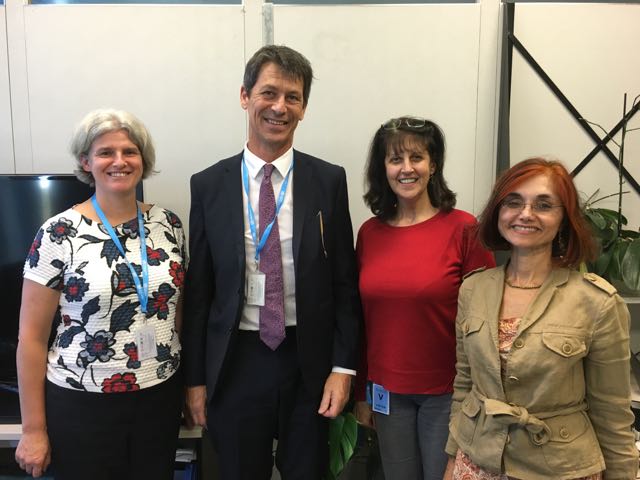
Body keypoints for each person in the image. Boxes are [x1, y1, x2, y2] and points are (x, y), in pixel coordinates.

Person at [182, 45, 361, 480]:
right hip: (236, 361)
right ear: (245, 96)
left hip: (310, 361)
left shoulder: (328, 180)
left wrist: (343, 368)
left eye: (293, 97)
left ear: (304, 108)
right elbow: (200, 292)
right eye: (269, 93)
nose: (280, 107)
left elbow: (344, 284)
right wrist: (195, 380)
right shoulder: (208, 185)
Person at [14, 109, 186, 480]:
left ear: (143, 160)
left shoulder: (168, 224)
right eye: (106, 152)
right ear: (86, 161)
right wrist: (33, 430)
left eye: (130, 151)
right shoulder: (58, 232)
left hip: (159, 397)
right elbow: (30, 339)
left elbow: (176, 310)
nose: (120, 161)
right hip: (82, 404)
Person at [443, 158, 639, 480]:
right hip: (477, 462)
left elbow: (612, 414)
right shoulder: (474, 289)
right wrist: (452, 459)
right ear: (498, 212)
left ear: (563, 220)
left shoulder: (596, 302)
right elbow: (465, 386)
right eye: (513, 202)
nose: (526, 214)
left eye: (544, 205)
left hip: (560, 468)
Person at [354, 116, 495, 480]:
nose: (406, 168)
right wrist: (362, 392)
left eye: (416, 158)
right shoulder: (369, 234)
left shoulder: (464, 229)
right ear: (382, 168)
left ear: (433, 165)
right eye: (395, 159)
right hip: (387, 393)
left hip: (447, 393)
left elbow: (487, 319)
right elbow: (361, 319)